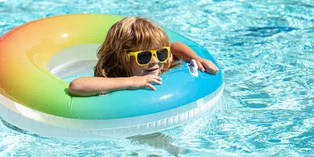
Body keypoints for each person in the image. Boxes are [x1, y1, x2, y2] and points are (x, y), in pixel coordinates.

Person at [68, 16, 219, 96]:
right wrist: (130, 82)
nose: (154, 61)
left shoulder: (161, 61)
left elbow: (174, 46)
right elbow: (76, 86)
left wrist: (197, 59)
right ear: (121, 58)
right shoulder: (113, 75)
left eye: (160, 53)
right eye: (144, 56)